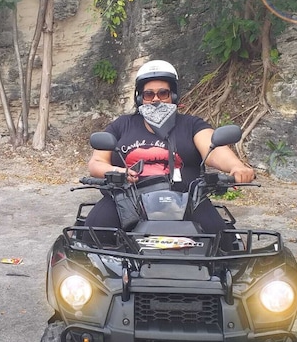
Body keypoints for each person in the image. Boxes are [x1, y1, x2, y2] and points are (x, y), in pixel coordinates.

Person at [84, 59, 255, 240]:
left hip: (188, 200)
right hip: (125, 199)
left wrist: (236, 166)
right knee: (89, 239)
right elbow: (96, 162)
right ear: (140, 98)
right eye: (149, 94)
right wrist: (117, 171)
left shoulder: (191, 125)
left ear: (173, 95)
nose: (156, 99)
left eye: (163, 93)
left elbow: (214, 149)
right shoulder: (122, 125)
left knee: (225, 245)